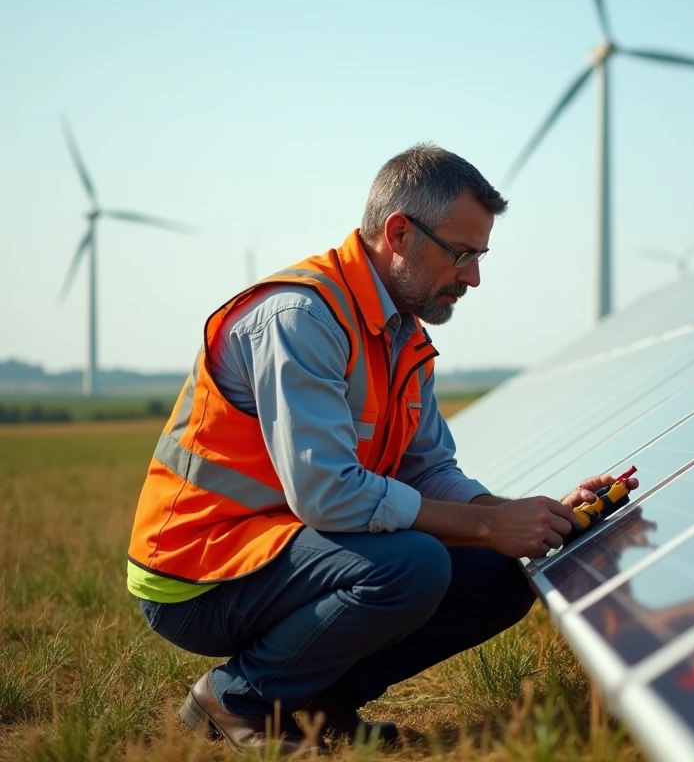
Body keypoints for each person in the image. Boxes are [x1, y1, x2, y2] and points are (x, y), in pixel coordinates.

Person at [126, 144, 637, 754]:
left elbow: (429, 470)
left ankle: (318, 702)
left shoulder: (401, 332)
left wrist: (525, 516)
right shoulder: (301, 318)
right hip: (200, 571)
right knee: (413, 565)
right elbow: (328, 494)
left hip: (285, 550)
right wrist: (484, 523)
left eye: (480, 255)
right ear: (399, 232)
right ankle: (236, 699)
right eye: (462, 253)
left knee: (500, 575)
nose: (473, 276)